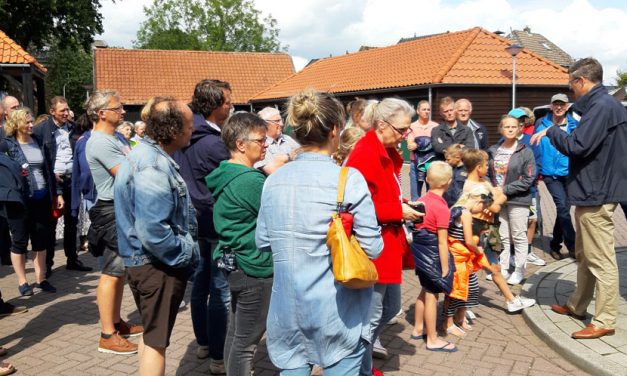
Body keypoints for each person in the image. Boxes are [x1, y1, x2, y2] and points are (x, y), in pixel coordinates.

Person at [256, 89, 383, 375]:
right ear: (335, 130)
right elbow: (374, 249)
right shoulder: (348, 178)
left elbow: (262, 242)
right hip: (337, 311)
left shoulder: (272, 180)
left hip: (287, 311)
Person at [531, 57, 627, 339]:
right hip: (591, 192)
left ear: (581, 81)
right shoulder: (604, 106)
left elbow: (578, 145)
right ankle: (577, 305)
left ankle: (605, 319)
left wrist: (552, 131)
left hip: (596, 193)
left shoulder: (600, 107)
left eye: (570, 83)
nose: (570, 90)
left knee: (601, 260)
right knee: (585, 256)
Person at [115, 97, 198, 375]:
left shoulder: (147, 156)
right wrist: (187, 253)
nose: (192, 130)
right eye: (189, 125)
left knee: (151, 336)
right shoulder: (152, 164)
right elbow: (154, 231)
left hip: (145, 262)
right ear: (173, 130)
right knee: (155, 342)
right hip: (155, 266)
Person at [345, 97, 421, 376]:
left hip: (388, 243)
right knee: (371, 315)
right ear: (381, 124)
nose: (405, 135)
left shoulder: (385, 149)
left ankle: (361, 363)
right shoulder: (365, 153)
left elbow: (387, 191)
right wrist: (397, 211)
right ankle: (361, 369)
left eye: (407, 129)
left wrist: (403, 206)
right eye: (401, 129)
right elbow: (355, 206)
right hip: (374, 247)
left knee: (388, 308)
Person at [206, 112, 271, 376]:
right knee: (245, 342)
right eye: (261, 139)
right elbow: (275, 218)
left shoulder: (227, 171)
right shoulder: (249, 180)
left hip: (235, 261)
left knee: (236, 334)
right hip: (253, 264)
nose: (266, 144)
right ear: (241, 144)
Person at [173, 79, 231, 373]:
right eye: (228, 102)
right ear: (216, 105)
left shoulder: (184, 132)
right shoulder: (213, 143)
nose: (231, 106)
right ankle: (219, 356)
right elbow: (232, 176)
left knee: (199, 285)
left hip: (191, 220)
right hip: (215, 223)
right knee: (220, 289)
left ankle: (204, 343)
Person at [85, 90, 142, 355]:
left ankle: (116, 322)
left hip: (119, 207)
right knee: (111, 271)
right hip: (112, 209)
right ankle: (107, 334)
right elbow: (127, 173)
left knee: (118, 272)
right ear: (101, 113)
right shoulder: (100, 142)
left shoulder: (113, 138)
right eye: (117, 108)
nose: (122, 112)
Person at [461, 148, 536, 312]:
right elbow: (488, 207)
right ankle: (459, 306)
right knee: (466, 269)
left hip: (486, 231)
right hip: (474, 232)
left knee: (495, 268)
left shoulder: (483, 184)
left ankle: (511, 301)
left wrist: (495, 201)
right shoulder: (472, 187)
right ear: (478, 168)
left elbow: (500, 197)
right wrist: (493, 202)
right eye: (486, 165)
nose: (489, 168)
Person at [33, 96, 92, 275]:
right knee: (51, 222)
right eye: (62, 111)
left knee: (72, 221)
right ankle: (48, 264)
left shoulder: (74, 128)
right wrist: (49, 174)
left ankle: (72, 259)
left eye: (67, 110)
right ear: (52, 112)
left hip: (71, 180)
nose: (66, 114)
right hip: (53, 182)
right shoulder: (40, 130)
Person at [3, 108, 58, 295]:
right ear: (16, 124)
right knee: (19, 241)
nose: (31, 125)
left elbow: (48, 170)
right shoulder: (7, 145)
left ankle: (41, 279)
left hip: (41, 198)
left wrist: (56, 194)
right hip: (18, 201)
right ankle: (22, 281)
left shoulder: (38, 142)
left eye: (31, 121)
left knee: (40, 240)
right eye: (27, 122)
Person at [411, 161, 457, 352]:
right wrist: (445, 269)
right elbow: (442, 242)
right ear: (449, 182)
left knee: (424, 290)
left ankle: (418, 328)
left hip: (420, 252)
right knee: (432, 295)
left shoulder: (422, 200)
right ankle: (432, 338)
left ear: (427, 179)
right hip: (432, 254)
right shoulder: (442, 208)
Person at [488, 116, 536, 286]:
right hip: (499, 200)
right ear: (501, 129)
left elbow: (529, 178)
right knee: (503, 235)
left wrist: (504, 190)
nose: (509, 129)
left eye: (513, 127)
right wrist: (491, 189)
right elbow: (486, 173)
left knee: (518, 235)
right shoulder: (493, 150)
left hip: (518, 200)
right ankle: (503, 267)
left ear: (519, 129)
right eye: (506, 126)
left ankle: (519, 270)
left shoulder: (525, 151)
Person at [441, 184, 493, 338]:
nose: (483, 211)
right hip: (458, 258)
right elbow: (469, 241)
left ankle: (459, 317)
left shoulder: (458, 209)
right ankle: (448, 323)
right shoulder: (465, 213)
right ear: (478, 201)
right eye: (484, 207)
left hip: (463, 258)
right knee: (455, 292)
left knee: (471, 287)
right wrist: (479, 250)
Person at [533, 94, 578, 260]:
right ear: (551, 106)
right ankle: (573, 245)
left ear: (567, 107)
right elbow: (535, 147)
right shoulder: (541, 124)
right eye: (555, 104)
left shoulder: (575, 125)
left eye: (562, 105)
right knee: (562, 206)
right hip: (550, 174)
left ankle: (555, 245)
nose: (559, 107)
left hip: (569, 174)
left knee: (564, 210)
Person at [406, 100, 438, 200]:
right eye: (424, 109)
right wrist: (428, 142)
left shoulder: (435, 126)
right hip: (414, 164)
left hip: (431, 164)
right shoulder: (411, 127)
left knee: (432, 195)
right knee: (415, 197)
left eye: (428, 109)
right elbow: (410, 145)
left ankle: (430, 215)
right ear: (418, 111)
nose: (426, 111)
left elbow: (436, 144)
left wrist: (419, 143)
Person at [254, 107, 300, 175]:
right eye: (277, 121)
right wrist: (289, 157)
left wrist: (282, 161)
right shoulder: (260, 144)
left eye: (281, 120)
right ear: (265, 124)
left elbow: (305, 157)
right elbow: (273, 171)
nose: (281, 124)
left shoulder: (287, 139)